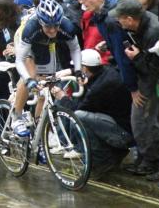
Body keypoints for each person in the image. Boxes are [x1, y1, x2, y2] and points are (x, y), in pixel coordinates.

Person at [54, 49, 134, 178]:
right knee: (83, 118)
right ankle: (108, 155)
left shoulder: (100, 87)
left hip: (123, 134)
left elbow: (75, 111)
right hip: (120, 126)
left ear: (85, 69)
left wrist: (62, 97)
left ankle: (101, 161)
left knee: (79, 118)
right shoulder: (105, 72)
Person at [12, 0, 82, 137]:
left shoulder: (66, 26)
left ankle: (39, 134)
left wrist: (79, 70)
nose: (52, 30)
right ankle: (16, 117)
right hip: (27, 42)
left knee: (46, 86)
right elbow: (19, 60)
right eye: (48, 26)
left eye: (55, 26)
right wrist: (29, 80)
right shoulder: (31, 27)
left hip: (47, 45)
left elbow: (75, 49)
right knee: (31, 76)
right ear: (40, 22)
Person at [115, 0, 159, 180]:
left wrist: (136, 57)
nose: (118, 22)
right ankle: (148, 159)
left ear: (130, 19)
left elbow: (154, 70)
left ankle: (153, 162)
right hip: (147, 79)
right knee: (144, 121)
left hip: (154, 82)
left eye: (120, 18)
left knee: (144, 121)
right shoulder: (140, 24)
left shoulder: (153, 31)